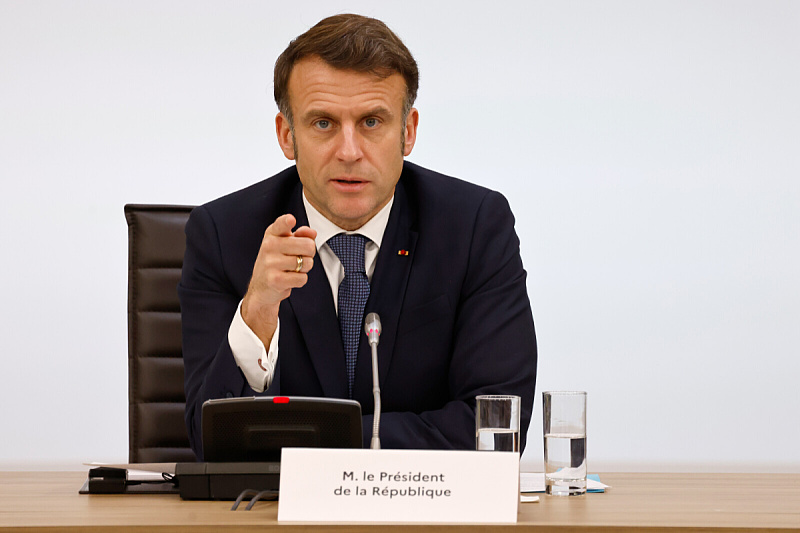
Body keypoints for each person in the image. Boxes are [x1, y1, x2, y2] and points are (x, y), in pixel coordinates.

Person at [179, 13, 537, 459]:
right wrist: (257, 311)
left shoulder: (474, 227)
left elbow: (494, 430)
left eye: (371, 122)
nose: (349, 152)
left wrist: (316, 441)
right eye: (323, 123)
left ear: (407, 132)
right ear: (287, 135)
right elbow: (209, 439)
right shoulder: (223, 235)